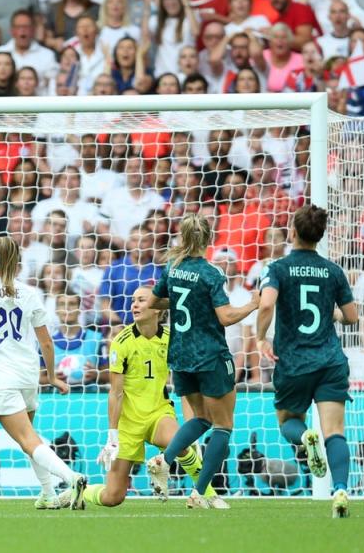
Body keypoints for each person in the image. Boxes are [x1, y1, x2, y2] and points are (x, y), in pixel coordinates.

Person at [0, 236, 86, 510]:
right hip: (27, 373)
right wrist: (50, 376)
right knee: (30, 437)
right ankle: (48, 493)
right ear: (17, 263)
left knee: (27, 439)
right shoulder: (30, 293)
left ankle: (71, 478)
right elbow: (47, 342)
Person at [144, 213, 259, 509]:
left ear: (183, 237)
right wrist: (252, 304)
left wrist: (190, 303)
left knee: (200, 418)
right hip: (210, 356)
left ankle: (164, 459)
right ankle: (200, 492)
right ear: (209, 239)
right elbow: (225, 316)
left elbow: (155, 302)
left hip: (180, 355)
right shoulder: (211, 274)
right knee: (223, 425)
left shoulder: (173, 268)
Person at [66, 286, 219, 508]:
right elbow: (116, 393)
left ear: (158, 308)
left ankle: (208, 493)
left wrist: (192, 425)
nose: (134, 305)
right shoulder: (122, 342)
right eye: (133, 300)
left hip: (159, 413)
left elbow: (185, 387)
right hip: (129, 423)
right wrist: (112, 435)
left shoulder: (173, 339)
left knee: (183, 443)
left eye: (141, 300)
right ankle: (81, 491)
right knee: (112, 497)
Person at [256, 204, 359, 518]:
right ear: (320, 235)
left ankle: (304, 438)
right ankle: (339, 489)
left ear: (293, 232)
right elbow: (352, 317)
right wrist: (333, 312)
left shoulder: (278, 268)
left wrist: (261, 338)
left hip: (294, 362)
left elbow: (266, 305)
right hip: (330, 360)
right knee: (335, 431)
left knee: (288, 422)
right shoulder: (333, 271)